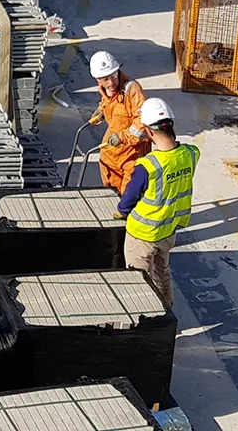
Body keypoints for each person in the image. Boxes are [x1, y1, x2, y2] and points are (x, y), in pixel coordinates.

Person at [115, 97, 198, 310]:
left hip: (142, 234)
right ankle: (166, 312)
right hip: (168, 230)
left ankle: (145, 318)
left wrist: (121, 211)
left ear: (149, 132)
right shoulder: (190, 154)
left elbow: (129, 199)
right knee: (163, 273)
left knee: (139, 279)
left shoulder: (148, 166)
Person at [85, 51, 149, 192]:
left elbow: (143, 122)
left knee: (128, 194)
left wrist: (122, 137)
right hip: (112, 150)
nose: (112, 82)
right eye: (105, 79)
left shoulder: (131, 90)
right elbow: (109, 102)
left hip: (132, 152)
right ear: (97, 79)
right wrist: (102, 110)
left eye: (113, 76)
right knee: (110, 188)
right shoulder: (106, 90)